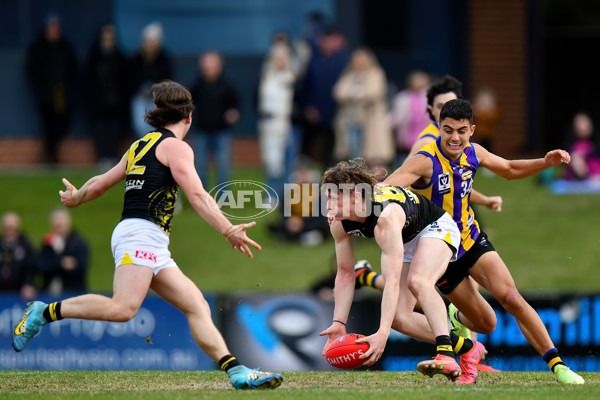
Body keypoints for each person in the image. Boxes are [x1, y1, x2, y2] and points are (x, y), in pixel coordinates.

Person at [12, 80, 283, 390]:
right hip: (139, 235)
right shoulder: (176, 147)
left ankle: (236, 371)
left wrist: (77, 197)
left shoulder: (140, 145)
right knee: (123, 309)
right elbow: (196, 194)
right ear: (189, 117)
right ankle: (43, 312)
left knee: (197, 305)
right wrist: (229, 229)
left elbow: (101, 182)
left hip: (147, 238)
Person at [384, 99, 584, 384]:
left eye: (462, 131)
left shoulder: (474, 153)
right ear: (438, 128)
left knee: (511, 297)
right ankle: (456, 326)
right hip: (441, 252)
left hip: (472, 239)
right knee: (487, 324)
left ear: (472, 130)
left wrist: (544, 162)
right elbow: (386, 189)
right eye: (448, 130)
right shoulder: (424, 161)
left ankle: (559, 366)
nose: (455, 137)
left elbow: (510, 170)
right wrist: (353, 205)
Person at [319, 158, 486, 383]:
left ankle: (445, 354)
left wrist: (382, 334)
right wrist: (339, 323)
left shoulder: (383, 218)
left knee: (419, 281)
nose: (327, 206)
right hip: (407, 237)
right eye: (327, 197)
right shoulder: (339, 223)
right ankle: (468, 348)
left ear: (356, 197)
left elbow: (392, 281)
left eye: (334, 199)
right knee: (399, 319)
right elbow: (346, 273)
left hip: (435, 226)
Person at [25, 12, 78, 164]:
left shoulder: (66, 47)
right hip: (46, 94)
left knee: (63, 122)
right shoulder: (38, 48)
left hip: (63, 94)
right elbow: (32, 71)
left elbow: (73, 71)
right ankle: (50, 154)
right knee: (48, 125)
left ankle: (50, 151)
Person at [332, 47, 394, 168]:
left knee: (372, 152)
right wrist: (355, 95)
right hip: (351, 119)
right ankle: (357, 175)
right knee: (353, 150)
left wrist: (356, 96)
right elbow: (339, 92)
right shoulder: (350, 75)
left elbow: (374, 92)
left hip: (369, 118)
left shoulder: (375, 73)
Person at [189, 51, 240, 188]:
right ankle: (201, 195)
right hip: (202, 131)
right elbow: (188, 104)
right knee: (199, 164)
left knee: (224, 165)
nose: (209, 69)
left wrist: (233, 113)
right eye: (206, 65)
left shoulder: (227, 86)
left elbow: (235, 105)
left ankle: (223, 195)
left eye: (212, 65)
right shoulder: (196, 86)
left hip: (222, 131)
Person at [84, 23, 130, 167]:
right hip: (98, 103)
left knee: (115, 130)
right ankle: (103, 157)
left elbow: (125, 80)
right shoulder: (94, 57)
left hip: (116, 104)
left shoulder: (120, 57)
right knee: (100, 130)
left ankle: (112, 156)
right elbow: (87, 80)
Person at [257, 45, 297, 199]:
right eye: (278, 58)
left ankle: (287, 198)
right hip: (268, 125)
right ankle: (271, 194)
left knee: (287, 161)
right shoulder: (267, 77)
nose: (280, 61)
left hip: (287, 124)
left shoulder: (292, 78)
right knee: (271, 161)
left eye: (283, 58)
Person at [129, 22, 172, 138]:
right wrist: (140, 90)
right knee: (140, 126)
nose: (150, 44)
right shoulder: (136, 58)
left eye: (153, 41)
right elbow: (131, 78)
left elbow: (168, 80)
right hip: (140, 98)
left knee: (157, 126)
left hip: (157, 99)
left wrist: (155, 90)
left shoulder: (164, 58)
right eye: (148, 40)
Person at [38, 208, 89, 295]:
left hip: (72, 292)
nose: (59, 227)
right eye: (57, 225)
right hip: (49, 293)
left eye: (61, 224)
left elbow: (81, 266)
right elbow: (41, 265)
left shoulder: (78, 243)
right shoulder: (47, 242)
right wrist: (61, 263)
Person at [389, 70, 431, 162]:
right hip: (408, 130)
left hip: (422, 129)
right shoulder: (403, 97)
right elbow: (397, 116)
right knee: (408, 153)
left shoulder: (428, 96)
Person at [0, 212, 37, 300]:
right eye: (7, 228)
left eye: (12, 228)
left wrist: (28, 284)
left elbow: (31, 267)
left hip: (19, 293)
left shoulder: (25, 245)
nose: (10, 231)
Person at [564, 111, 600, 181]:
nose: (582, 128)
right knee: (575, 159)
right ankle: (581, 177)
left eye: (585, 125)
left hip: (593, 171)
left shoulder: (595, 142)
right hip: (575, 170)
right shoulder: (571, 143)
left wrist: (584, 155)